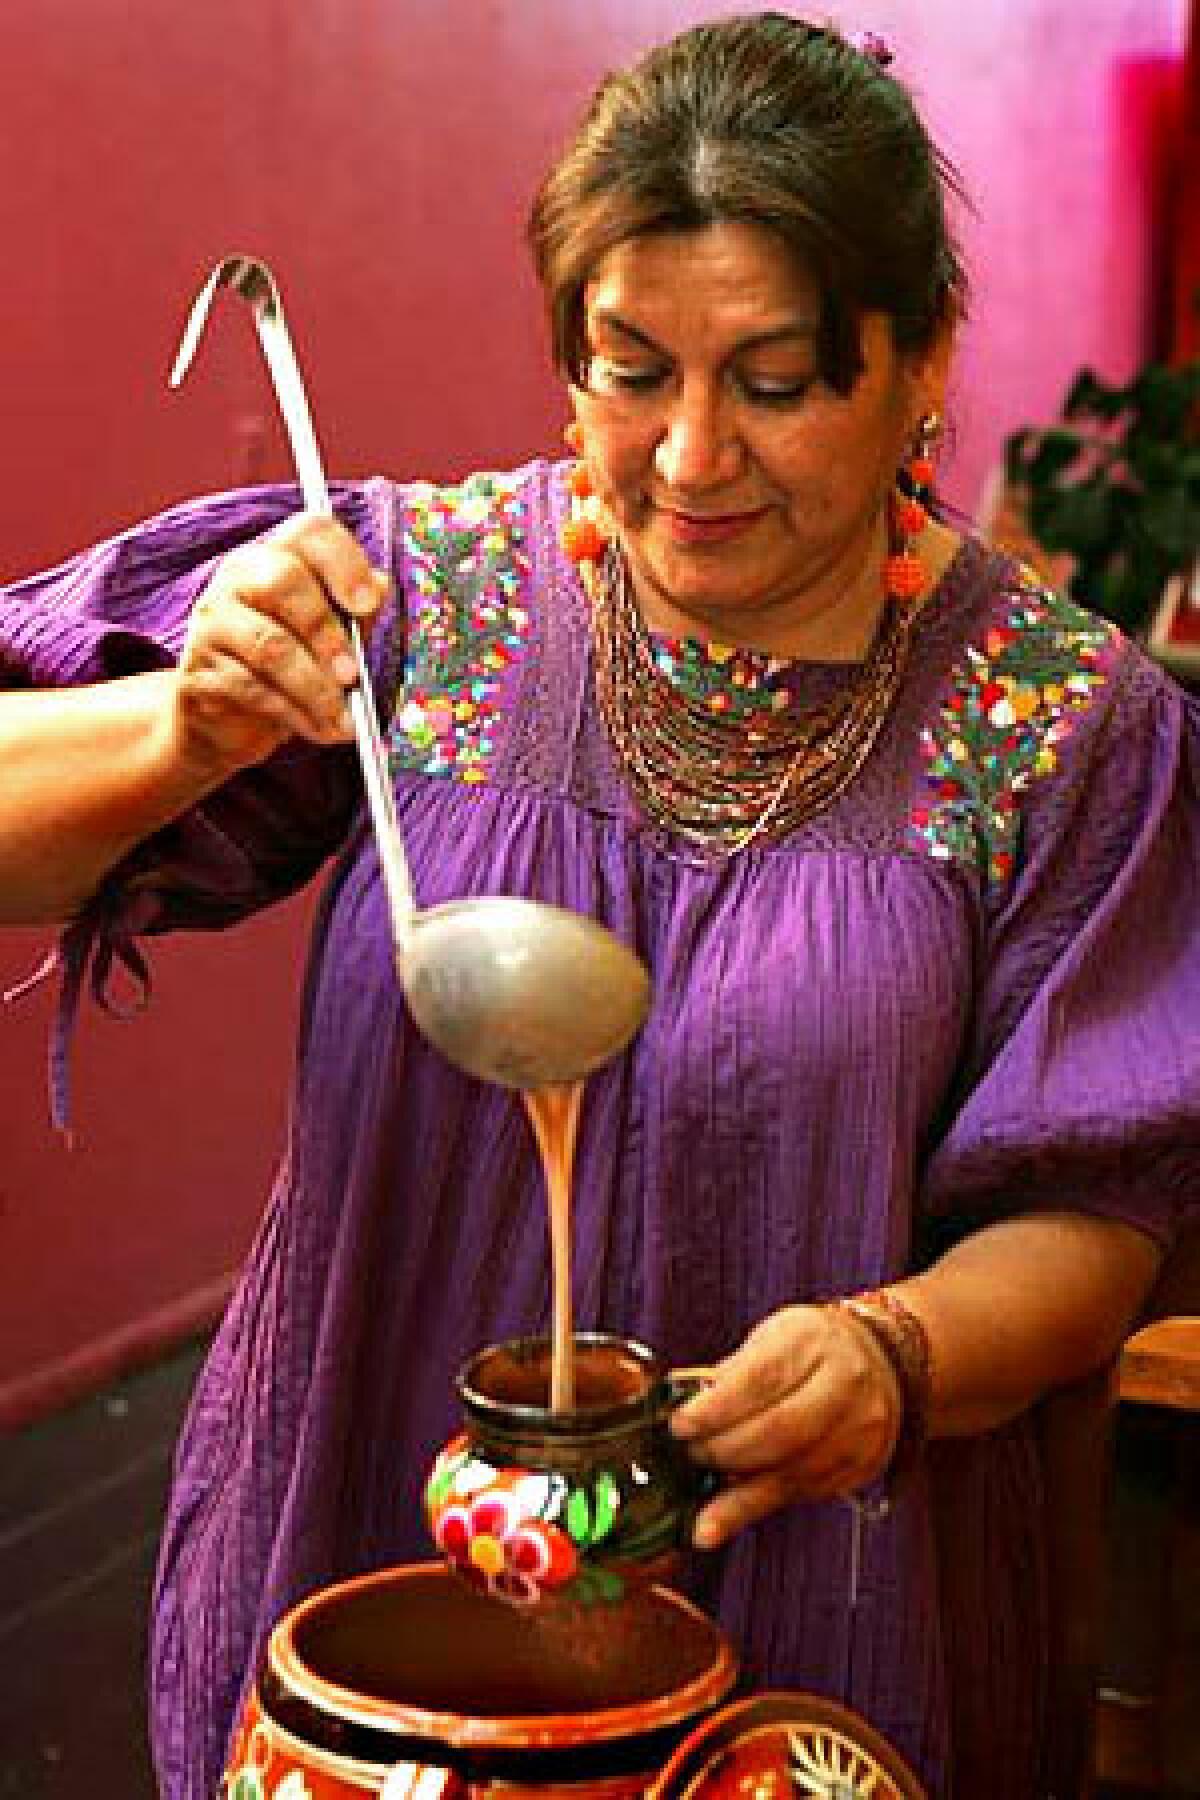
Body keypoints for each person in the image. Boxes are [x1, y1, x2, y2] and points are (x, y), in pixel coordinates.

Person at [2, 15, 1197, 1798]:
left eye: (778, 381)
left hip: (819, 1621)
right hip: (363, 1577)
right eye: (629, 371)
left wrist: (897, 1352)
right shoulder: (421, 603)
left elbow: (1102, 1210)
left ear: (922, 358)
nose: (693, 458)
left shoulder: (1062, 727)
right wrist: (187, 726)